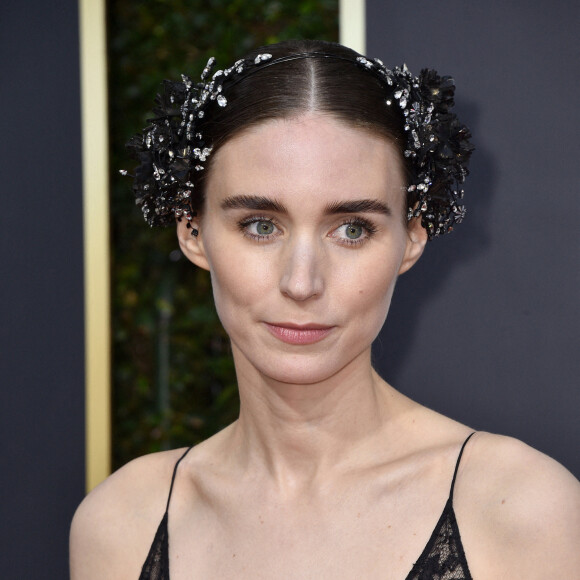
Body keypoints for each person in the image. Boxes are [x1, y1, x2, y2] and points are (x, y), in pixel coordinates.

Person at [70, 40, 580, 579]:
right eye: (261, 226)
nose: (302, 282)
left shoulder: (520, 511)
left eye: (352, 230)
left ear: (410, 239)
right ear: (192, 232)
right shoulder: (120, 523)